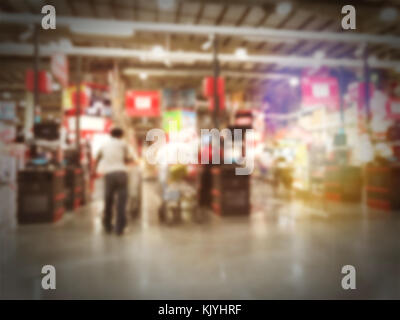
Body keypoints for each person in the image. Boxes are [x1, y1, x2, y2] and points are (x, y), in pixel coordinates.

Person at [93, 127, 135, 235]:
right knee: (121, 202)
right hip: (121, 174)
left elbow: (97, 159)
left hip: (109, 174)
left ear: (111, 135)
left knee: (108, 200)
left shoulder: (104, 145)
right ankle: (119, 228)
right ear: (121, 135)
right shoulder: (123, 144)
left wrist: (93, 171)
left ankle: (107, 225)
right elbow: (127, 159)